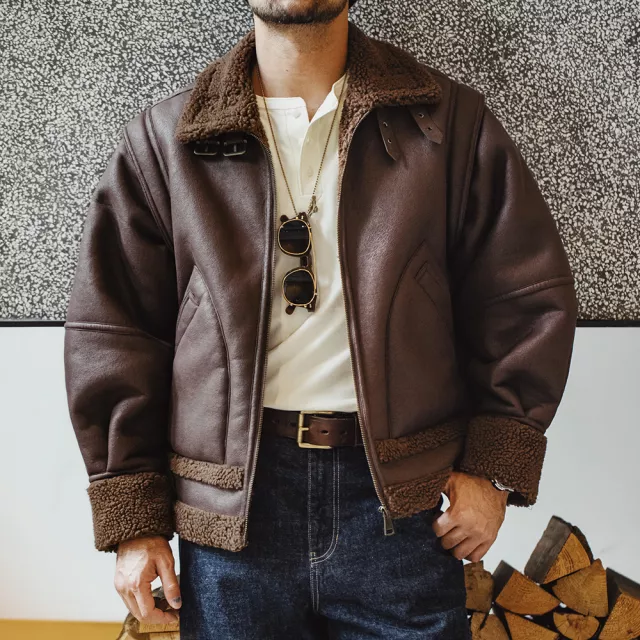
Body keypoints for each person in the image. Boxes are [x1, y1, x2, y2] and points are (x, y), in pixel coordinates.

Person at [63, 0, 578, 638]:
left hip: (405, 508)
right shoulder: (167, 141)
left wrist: (493, 471)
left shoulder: (449, 125)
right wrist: (134, 519)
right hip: (231, 516)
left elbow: (523, 299)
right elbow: (115, 333)